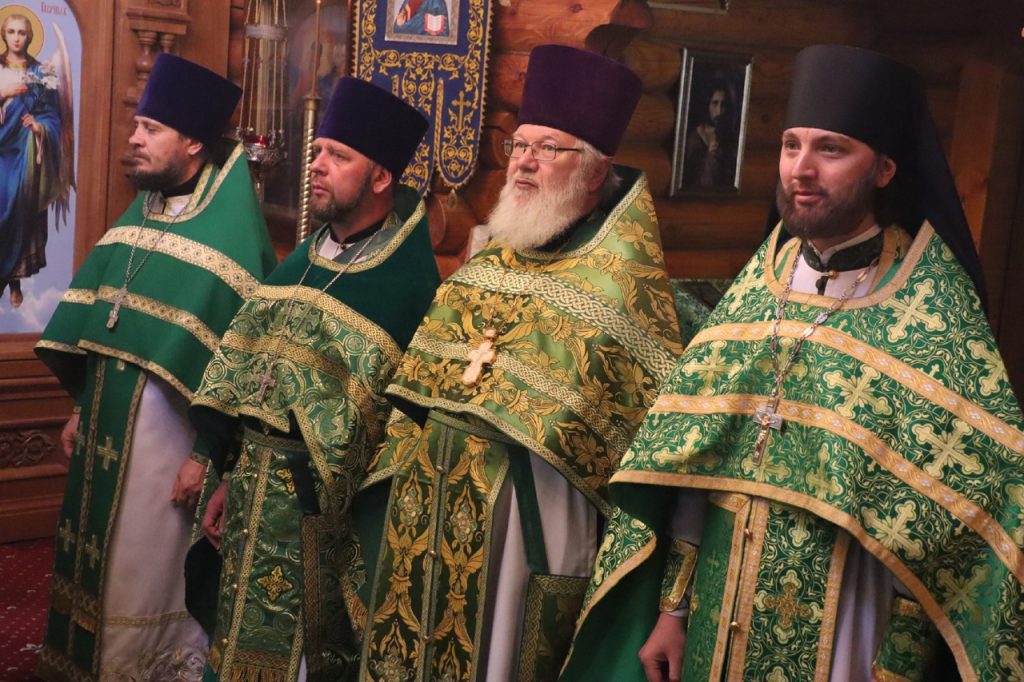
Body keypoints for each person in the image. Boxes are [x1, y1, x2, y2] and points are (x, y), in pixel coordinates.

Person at [563, 44, 1024, 682]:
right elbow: (697, 461)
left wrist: (900, 662)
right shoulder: (763, 279)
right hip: (715, 607)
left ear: (884, 169)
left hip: (848, 626)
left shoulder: (930, 302)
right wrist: (673, 609)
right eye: (790, 146)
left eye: (830, 149)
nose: (801, 170)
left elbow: (950, 522)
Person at [359, 44, 683, 682]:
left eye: (548, 148)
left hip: (528, 526)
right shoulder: (483, 266)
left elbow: (634, 456)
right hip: (426, 512)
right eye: (520, 145)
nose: (524, 162)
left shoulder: (621, 292)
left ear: (595, 172)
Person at [34, 54, 276, 681]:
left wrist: (205, 454)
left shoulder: (231, 240)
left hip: (168, 451)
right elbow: (104, 330)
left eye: (151, 129)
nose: (134, 138)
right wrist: (82, 406)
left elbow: (240, 368)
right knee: (93, 564)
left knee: (142, 577)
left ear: (193, 142)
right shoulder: (143, 213)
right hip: (106, 432)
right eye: (137, 125)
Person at [189, 76, 439, 681]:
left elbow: (398, 437)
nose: (317, 166)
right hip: (250, 498)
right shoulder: (304, 259)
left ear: (381, 177)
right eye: (318, 151)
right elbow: (250, 386)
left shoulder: (409, 287)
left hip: (323, 525)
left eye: (338, 156)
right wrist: (225, 474)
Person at [0, 11, 68, 308]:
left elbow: (52, 117)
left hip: (25, 154)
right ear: (3, 34)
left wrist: (39, 128)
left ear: (29, 37)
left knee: (20, 206)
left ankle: (13, 281)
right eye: (11, 31)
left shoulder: (41, 74)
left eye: (22, 32)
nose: (16, 38)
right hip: (1, 152)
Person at [682, 78, 736, 188]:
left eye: (723, 104)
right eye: (715, 103)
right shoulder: (694, 138)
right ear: (707, 105)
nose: (719, 111)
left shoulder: (729, 135)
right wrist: (710, 154)